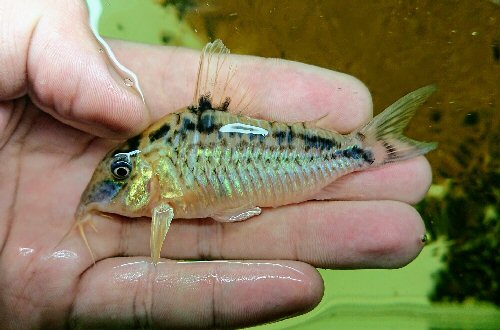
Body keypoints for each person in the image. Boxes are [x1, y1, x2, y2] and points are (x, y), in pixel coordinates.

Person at [0, 1, 433, 328]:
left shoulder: (161, 199)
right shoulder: (157, 192)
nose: (117, 181)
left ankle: (369, 150)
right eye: (120, 172)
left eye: (122, 174)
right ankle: (370, 149)